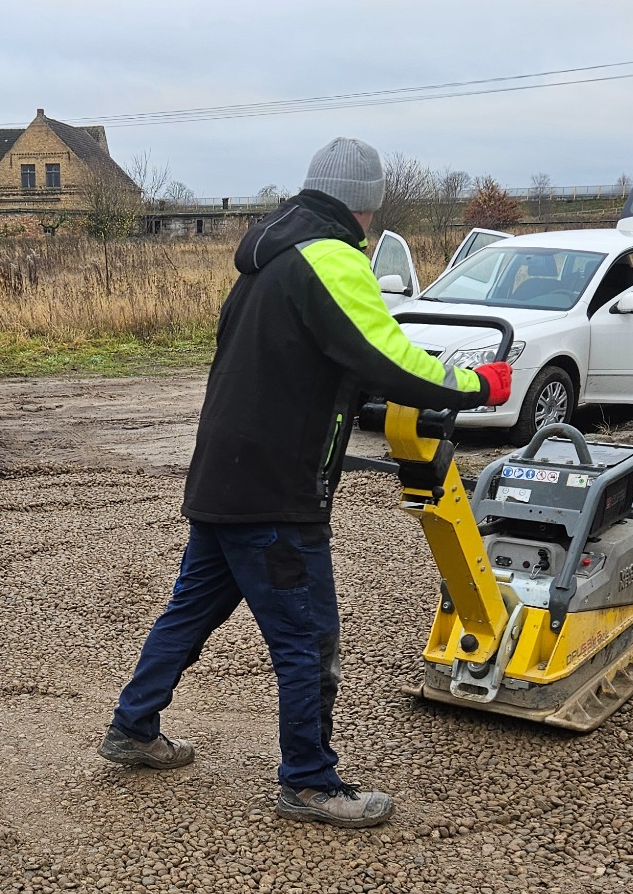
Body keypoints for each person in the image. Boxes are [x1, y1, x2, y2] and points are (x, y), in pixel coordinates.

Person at [98, 137, 512, 829]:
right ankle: (310, 781)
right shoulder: (334, 261)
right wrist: (475, 383)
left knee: (189, 612)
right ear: (367, 205)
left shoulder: (265, 258)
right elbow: (391, 360)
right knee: (307, 638)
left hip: (223, 479)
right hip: (276, 492)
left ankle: (133, 728)